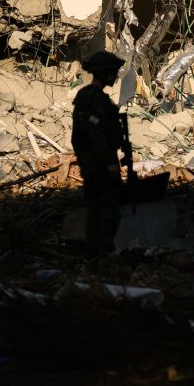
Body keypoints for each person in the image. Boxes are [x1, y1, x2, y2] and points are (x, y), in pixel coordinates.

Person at [71, 50, 127, 255]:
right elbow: (96, 132)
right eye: (112, 73)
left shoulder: (84, 95)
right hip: (100, 161)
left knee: (95, 206)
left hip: (90, 159)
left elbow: (79, 134)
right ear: (103, 73)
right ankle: (102, 251)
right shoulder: (96, 99)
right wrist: (110, 162)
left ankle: (92, 251)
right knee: (108, 207)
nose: (114, 77)